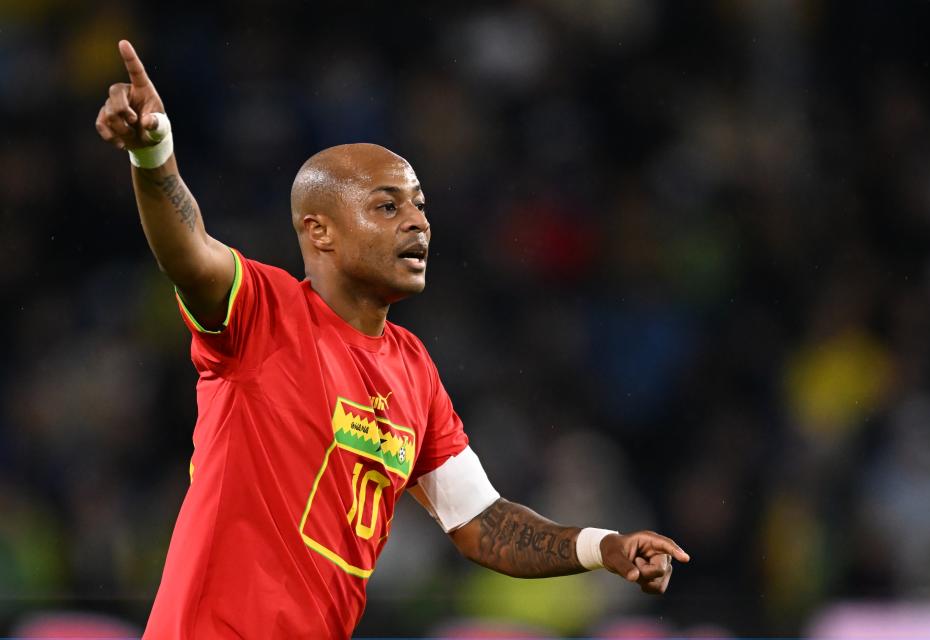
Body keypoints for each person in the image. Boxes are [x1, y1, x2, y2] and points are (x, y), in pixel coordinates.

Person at [94, 40, 691, 638]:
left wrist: (601, 546)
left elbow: (480, 520)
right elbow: (188, 252)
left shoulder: (412, 370)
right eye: (387, 206)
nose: (418, 221)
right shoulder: (263, 312)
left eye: (420, 205)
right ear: (319, 231)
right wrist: (154, 152)